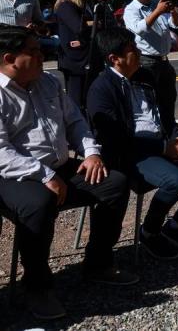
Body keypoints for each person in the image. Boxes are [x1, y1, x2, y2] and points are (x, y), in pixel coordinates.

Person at [0, 25, 137, 320]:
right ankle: (36, 286)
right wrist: (44, 175)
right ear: (10, 58)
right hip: (13, 175)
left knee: (114, 183)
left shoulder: (47, 81)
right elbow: (1, 152)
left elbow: (75, 122)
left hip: (59, 165)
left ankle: (98, 262)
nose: (41, 56)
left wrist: (91, 153)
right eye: (34, 52)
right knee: (37, 204)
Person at [88, 28, 178, 259]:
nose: (138, 51)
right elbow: (113, 138)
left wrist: (177, 139)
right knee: (175, 180)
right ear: (114, 59)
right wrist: (163, 149)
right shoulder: (102, 89)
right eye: (132, 50)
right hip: (134, 153)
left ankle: (176, 226)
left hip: (164, 144)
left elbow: (165, 115)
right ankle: (150, 231)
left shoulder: (145, 77)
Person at [122, 0, 178, 133]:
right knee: (148, 101)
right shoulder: (131, 10)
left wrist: (174, 13)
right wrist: (157, 11)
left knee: (168, 98)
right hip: (146, 60)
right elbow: (139, 29)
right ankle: (152, 133)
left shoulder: (156, 4)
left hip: (164, 60)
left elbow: (174, 24)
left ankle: (171, 130)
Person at [54, 0, 94, 110]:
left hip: (88, 58)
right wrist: (95, 23)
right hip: (75, 62)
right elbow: (79, 28)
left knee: (90, 100)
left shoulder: (85, 3)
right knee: (76, 104)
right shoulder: (66, 5)